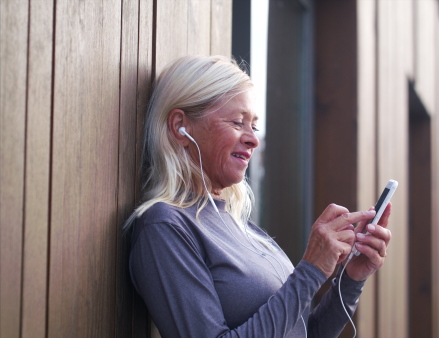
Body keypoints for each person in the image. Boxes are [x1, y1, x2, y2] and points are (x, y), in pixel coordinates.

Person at [125, 55, 392, 338]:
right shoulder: (165, 227)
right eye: (237, 122)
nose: (253, 139)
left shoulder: (241, 226)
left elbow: (303, 334)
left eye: (254, 126)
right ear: (181, 126)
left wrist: (350, 278)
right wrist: (311, 269)